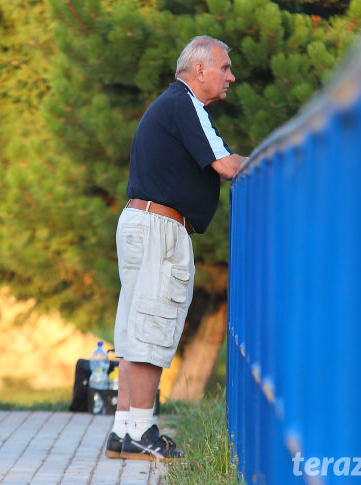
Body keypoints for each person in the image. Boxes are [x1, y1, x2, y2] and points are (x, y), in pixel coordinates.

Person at [104, 35, 248, 462]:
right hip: (159, 227)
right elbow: (227, 165)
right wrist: (272, 165)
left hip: (141, 221)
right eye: (224, 68)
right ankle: (145, 431)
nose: (231, 76)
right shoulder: (186, 104)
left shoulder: (174, 104)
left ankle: (125, 430)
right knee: (151, 326)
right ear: (198, 69)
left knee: (135, 329)